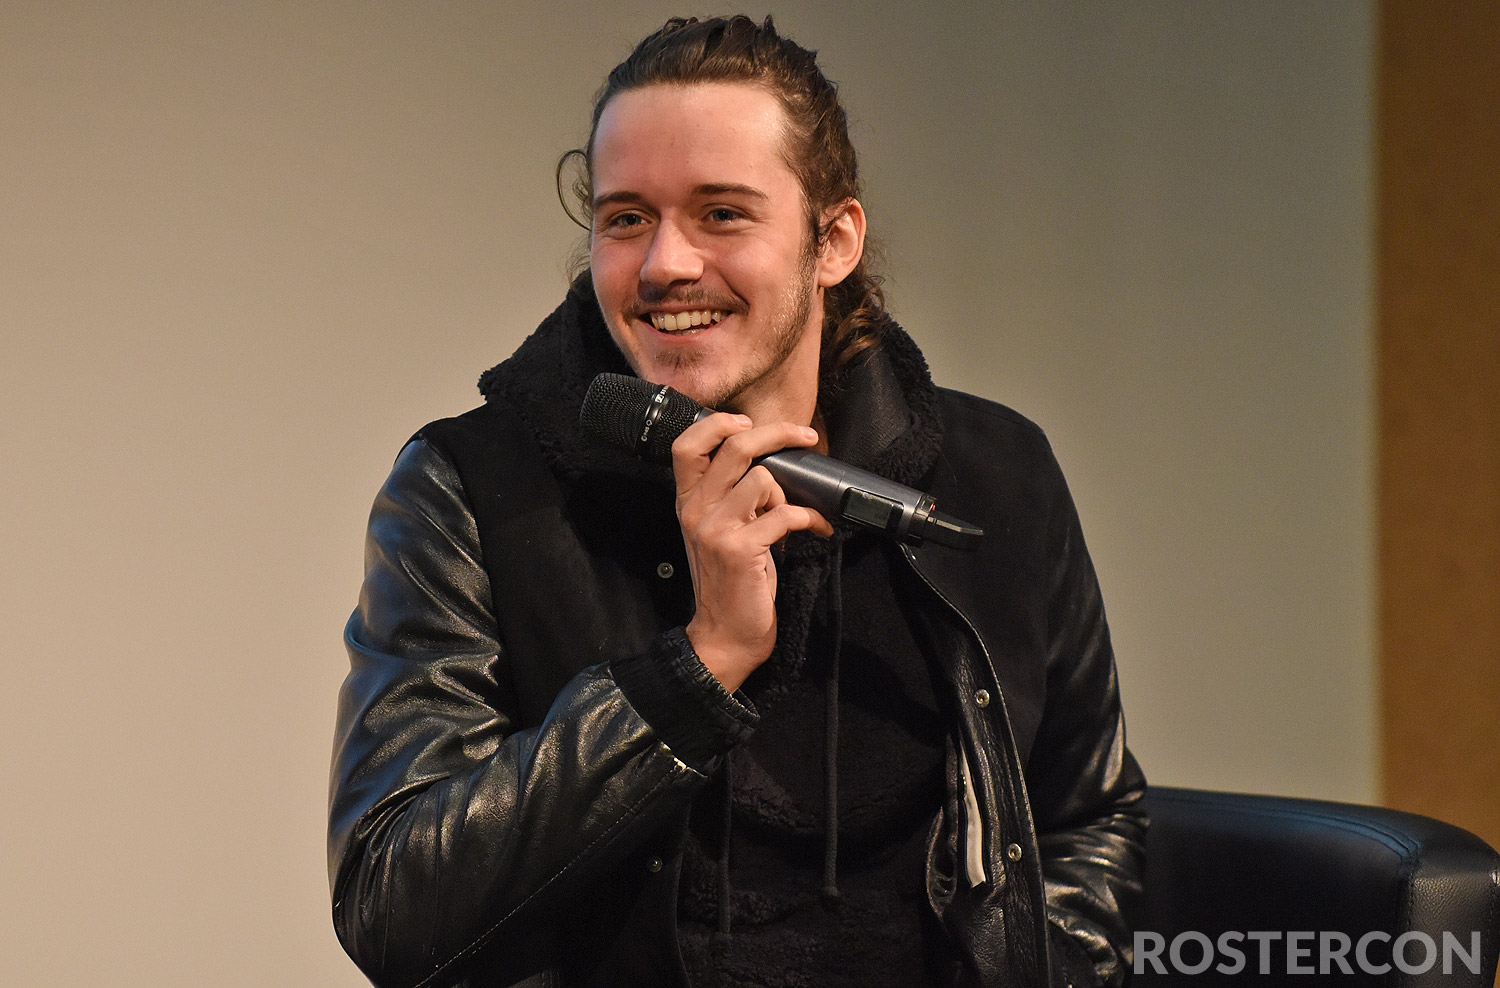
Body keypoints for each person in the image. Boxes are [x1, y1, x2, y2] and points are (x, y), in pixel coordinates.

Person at [329, 15, 1146, 988]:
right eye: (626, 217)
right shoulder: (471, 488)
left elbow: (1088, 820)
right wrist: (699, 664)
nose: (666, 263)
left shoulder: (996, 470)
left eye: (721, 212)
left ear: (833, 240)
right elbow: (393, 907)